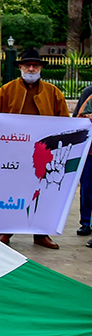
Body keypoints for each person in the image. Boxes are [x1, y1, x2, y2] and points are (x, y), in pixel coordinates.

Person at [0, 48, 68, 249]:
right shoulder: (7, 90)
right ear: (21, 68)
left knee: (43, 192)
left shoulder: (53, 93)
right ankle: (5, 231)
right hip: (13, 153)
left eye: (35, 65)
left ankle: (41, 234)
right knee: (10, 191)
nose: (31, 69)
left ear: (41, 68)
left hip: (44, 154)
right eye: (27, 65)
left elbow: (65, 123)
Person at [75, 86, 92, 242]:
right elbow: (77, 117)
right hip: (90, 152)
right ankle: (86, 222)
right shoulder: (89, 92)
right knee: (87, 188)